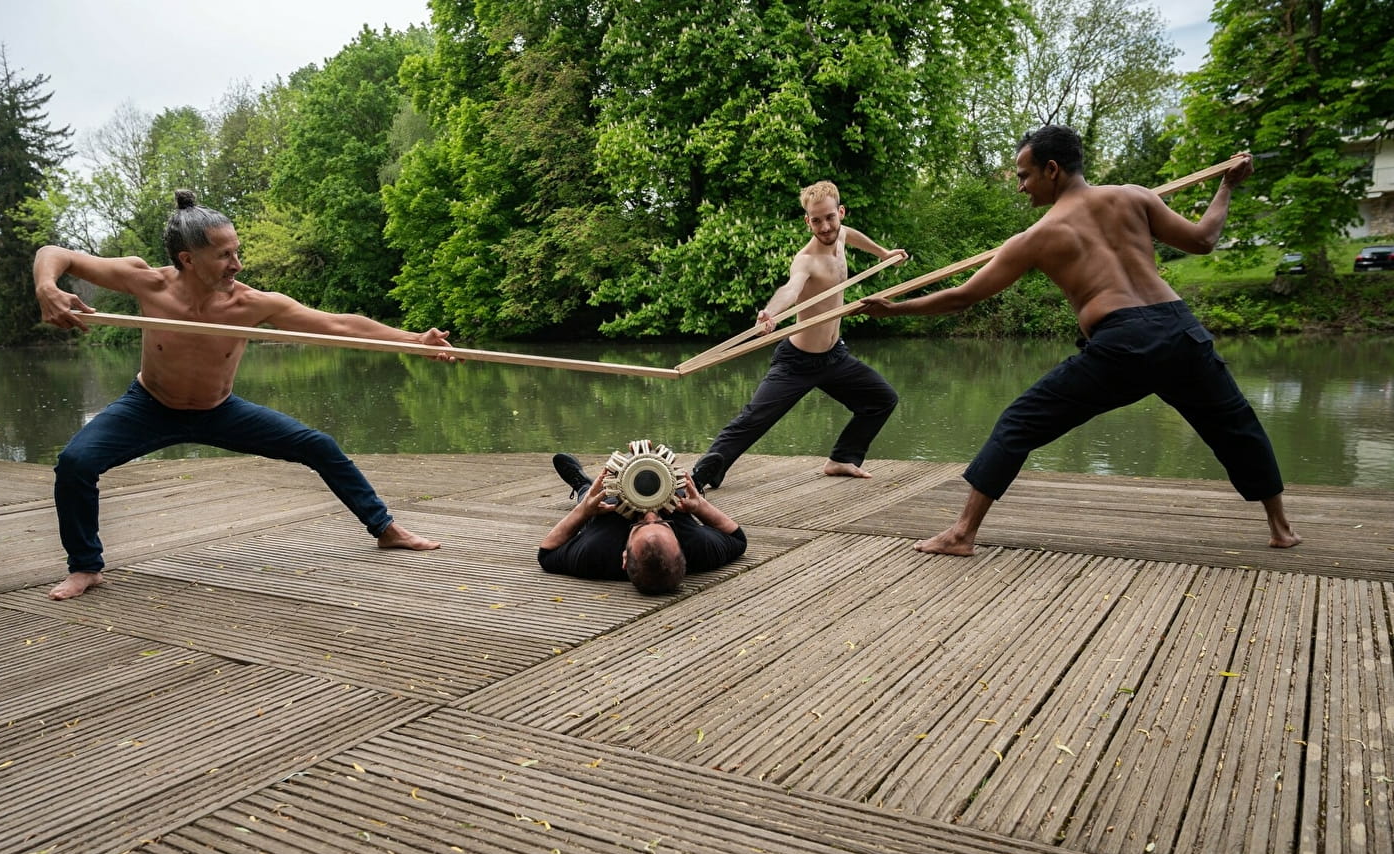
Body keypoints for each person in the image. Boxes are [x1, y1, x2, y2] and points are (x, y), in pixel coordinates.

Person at [859, 125, 1301, 555]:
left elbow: (963, 298)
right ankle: (1280, 529)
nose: (1020, 187)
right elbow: (1204, 240)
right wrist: (1226, 187)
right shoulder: (1135, 196)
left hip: (1121, 345)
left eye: (1023, 175)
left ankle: (961, 533)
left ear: (1052, 169)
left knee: (1018, 423)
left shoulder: (1036, 237)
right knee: (1236, 426)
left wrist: (895, 308)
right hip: (1180, 331)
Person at [34, 190, 455, 600]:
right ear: (187, 259)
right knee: (74, 464)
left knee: (319, 446)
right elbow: (56, 253)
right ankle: (86, 566)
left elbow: (339, 325)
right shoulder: (147, 283)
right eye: (224, 255)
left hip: (219, 410)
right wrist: (46, 287)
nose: (236, 263)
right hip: (149, 406)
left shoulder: (251, 304)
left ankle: (386, 530)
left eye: (237, 251)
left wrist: (415, 339)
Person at [689, 181, 906, 492]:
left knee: (882, 399)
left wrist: (883, 253)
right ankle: (699, 478)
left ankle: (843, 458)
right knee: (753, 419)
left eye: (830, 217)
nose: (825, 226)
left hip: (835, 356)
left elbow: (852, 235)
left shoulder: (841, 234)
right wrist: (771, 313)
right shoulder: (806, 259)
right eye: (816, 220)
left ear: (840, 213)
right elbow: (790, 289)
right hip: (798, 361)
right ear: (807, 221)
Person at [539, 452, 747, 594]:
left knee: (593, 495)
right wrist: (699, 505)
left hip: (609, 513)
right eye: (662, 523)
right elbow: (737, 538)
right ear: (682, 550)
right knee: (679, 491)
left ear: (624, 556)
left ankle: (582, 485)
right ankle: (695, 482)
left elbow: (546, 553)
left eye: (640, 526)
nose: (649, 513)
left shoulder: (595, 553)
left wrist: (583, 510)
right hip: (676, 503)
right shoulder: (699, 549)